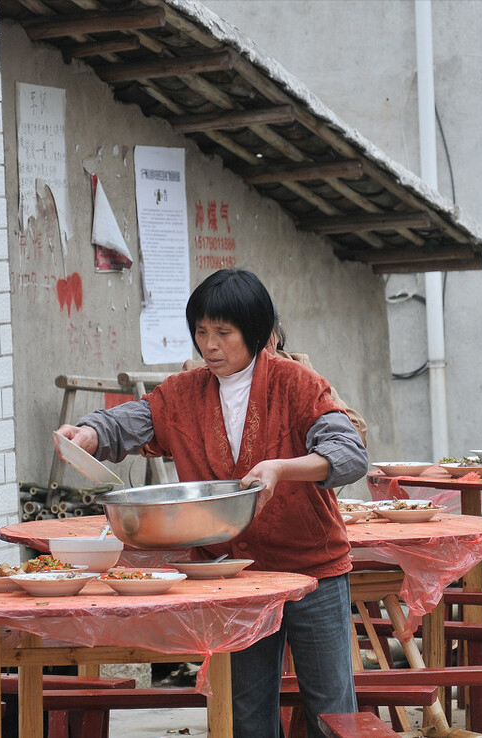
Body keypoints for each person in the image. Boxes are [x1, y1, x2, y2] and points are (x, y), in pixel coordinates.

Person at [55, 269, 367, 738]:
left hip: (313, 571)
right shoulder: (184, 392)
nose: (210, 345)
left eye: (224, 332)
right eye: (202, 332)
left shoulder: (298, 384)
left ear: (257, 333)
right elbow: (132, 421)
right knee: (245, 714)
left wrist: (283, 468)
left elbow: (349, 454)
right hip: (231, 575)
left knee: (331, 713)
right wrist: (91, 433)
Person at [182, 306, 368, 445]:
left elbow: (354, 429)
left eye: (264, 338)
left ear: (277, 334)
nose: (256, 350)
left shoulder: (298, 372)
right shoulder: (198, 376)